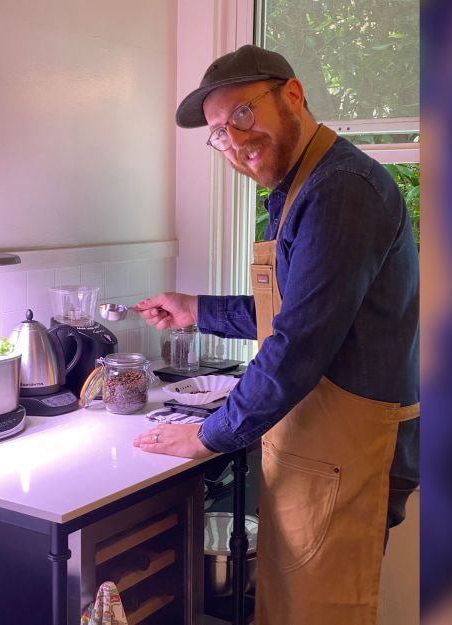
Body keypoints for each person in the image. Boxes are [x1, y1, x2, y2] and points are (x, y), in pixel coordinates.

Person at [131, 45, 419, 624]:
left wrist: (209, 435)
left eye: (242, 114)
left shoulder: (342, 189)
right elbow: (288, 314)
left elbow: (298, 344)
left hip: (347, 453)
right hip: (316, 449)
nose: (234, 141)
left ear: (292, 95)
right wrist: (195, 309)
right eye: (218, 132)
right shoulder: (299, 188)